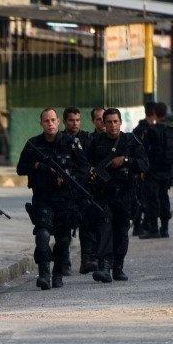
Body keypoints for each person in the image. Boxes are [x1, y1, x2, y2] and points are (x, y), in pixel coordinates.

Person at [17, 108, 83, 290]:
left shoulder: (70, 143)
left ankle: (58, 273)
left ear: (58, 122)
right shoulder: (33, 144)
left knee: (63, 239)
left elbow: (83, 168)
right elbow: (21, 168)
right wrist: (38, 165)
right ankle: (44, 272)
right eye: (46, 121)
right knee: (43, 235)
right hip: (42, 197)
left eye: (53, 120)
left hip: (65, 199)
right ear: (41, 124)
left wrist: (69, 177)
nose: (50, 123)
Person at [85, 108, 148, 283]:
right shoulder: (96, 141)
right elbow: (85, 165)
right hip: (103, 194)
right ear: (103, 124)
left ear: (120, 122)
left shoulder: (130, 141)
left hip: (125, 194)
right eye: (109, 122)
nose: (113, 125)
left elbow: (144, 164)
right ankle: (105, 266)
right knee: (105, 228)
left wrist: (125, 160)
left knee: (121, 231)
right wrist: (90, 173)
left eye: (115, 122)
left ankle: (118, 267)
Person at [138, 102, 173, 239]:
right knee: (164, 197)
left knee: (152, 199)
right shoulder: (172, 129)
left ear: (155, 113)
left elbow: (144, 150)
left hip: (153, 171)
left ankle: (154, 229)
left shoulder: (152, 130)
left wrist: (143, 169)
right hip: (167, 170)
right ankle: (165, 229)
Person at [62, 107, 94, 276]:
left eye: (77, 120)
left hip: (83, 188)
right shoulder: (60, 139)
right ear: (65, 121)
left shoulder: (87, 139)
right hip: (65, 189)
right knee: (65, 226)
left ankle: (86, 260)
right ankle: (65, 261)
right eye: (71, 120)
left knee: (86, 225)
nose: (75, 123)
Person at [131, 102, 158, 236]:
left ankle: (138, 226)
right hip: (147, 170)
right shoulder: (151, 130)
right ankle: (142, 225)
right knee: (146, 198)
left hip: (138, 168)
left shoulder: (137, 129)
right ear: (154, 114)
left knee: (139, 197)